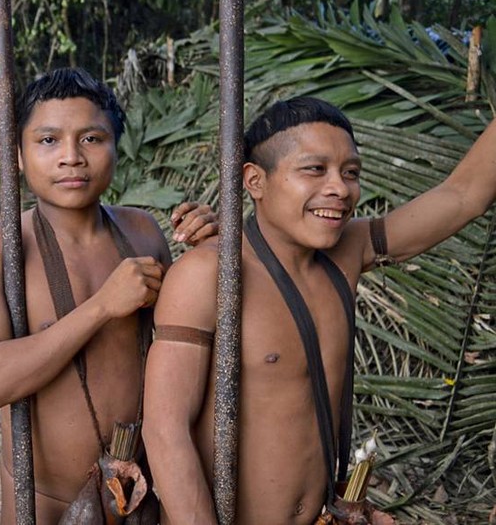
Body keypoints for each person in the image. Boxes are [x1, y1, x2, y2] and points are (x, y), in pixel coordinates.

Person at [143, 97, 496, 524]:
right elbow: (166, 431)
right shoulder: (209, 273)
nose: (340, 188)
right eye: (315, 169)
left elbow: (464, 196)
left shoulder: (347, 251)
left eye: (351, 173)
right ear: (255, 180)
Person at [0, 67, 218, 524]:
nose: (71, 158)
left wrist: (213, 252)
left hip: (139, 497)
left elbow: (190, 344)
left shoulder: (142, 231)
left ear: (116, 148)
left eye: (91, 139)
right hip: (44, 506)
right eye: (47, 141)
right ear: (17, 155)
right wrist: (102, 306)